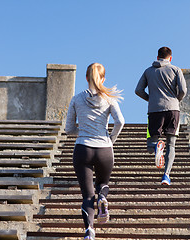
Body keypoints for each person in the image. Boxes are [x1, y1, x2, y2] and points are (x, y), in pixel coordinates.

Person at [65, 63, 125, 240]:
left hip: (83, 148)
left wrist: (83, 131)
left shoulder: (76, 99)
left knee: (87, 195)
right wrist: (110, 139)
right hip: (104, 148)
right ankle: (103, 199)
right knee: (103, 185)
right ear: (103, 78)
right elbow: (120, 121)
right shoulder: (109, 99)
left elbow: (68, 129)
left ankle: (89, 230)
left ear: (86, 78)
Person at [135, 46, 187, 186]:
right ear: (170, 58)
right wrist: (176, 100)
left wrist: (151, 99)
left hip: (154, 111)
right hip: (173, 110)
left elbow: (138, 90)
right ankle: (166, 176)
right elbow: (183, 90)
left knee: (150, 143)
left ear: (157, 58)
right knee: (171, 144)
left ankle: (156, 146)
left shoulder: (148, 71)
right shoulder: (176, 69)